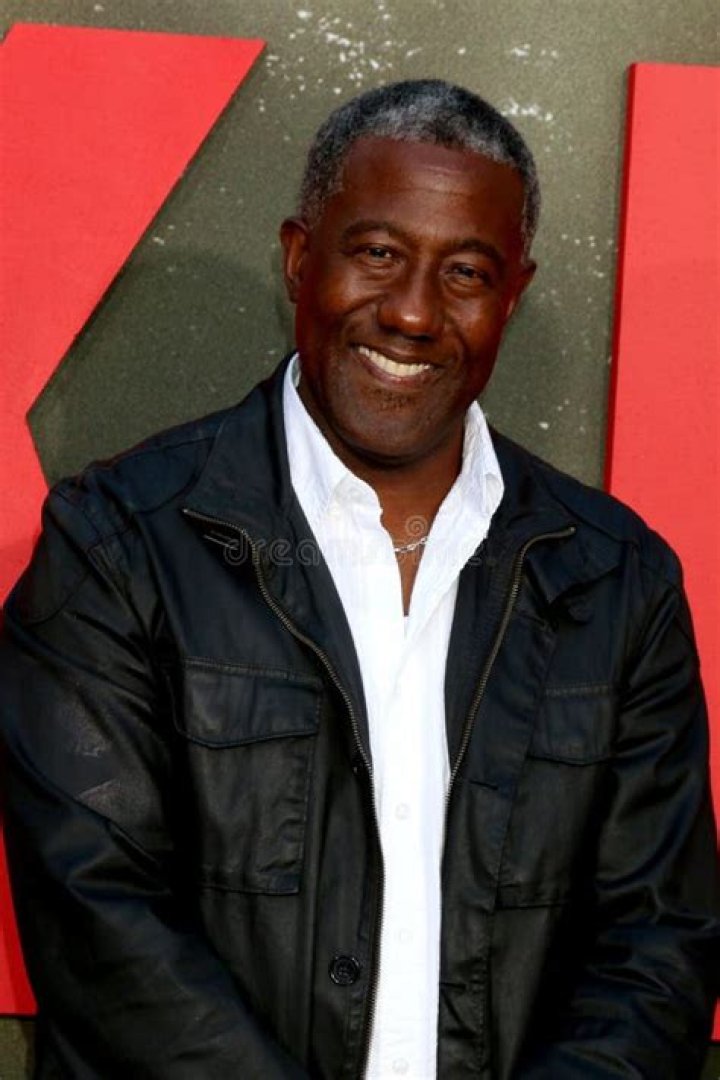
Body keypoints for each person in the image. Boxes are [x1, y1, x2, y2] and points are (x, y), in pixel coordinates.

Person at [0, 79, 717, 1080]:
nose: (415, 312)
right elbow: (102, 926)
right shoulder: (117, 544)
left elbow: (659, 946)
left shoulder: (617, 578)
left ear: (512, 295)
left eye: (465, 272)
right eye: (378, 254)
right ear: (301, 258)